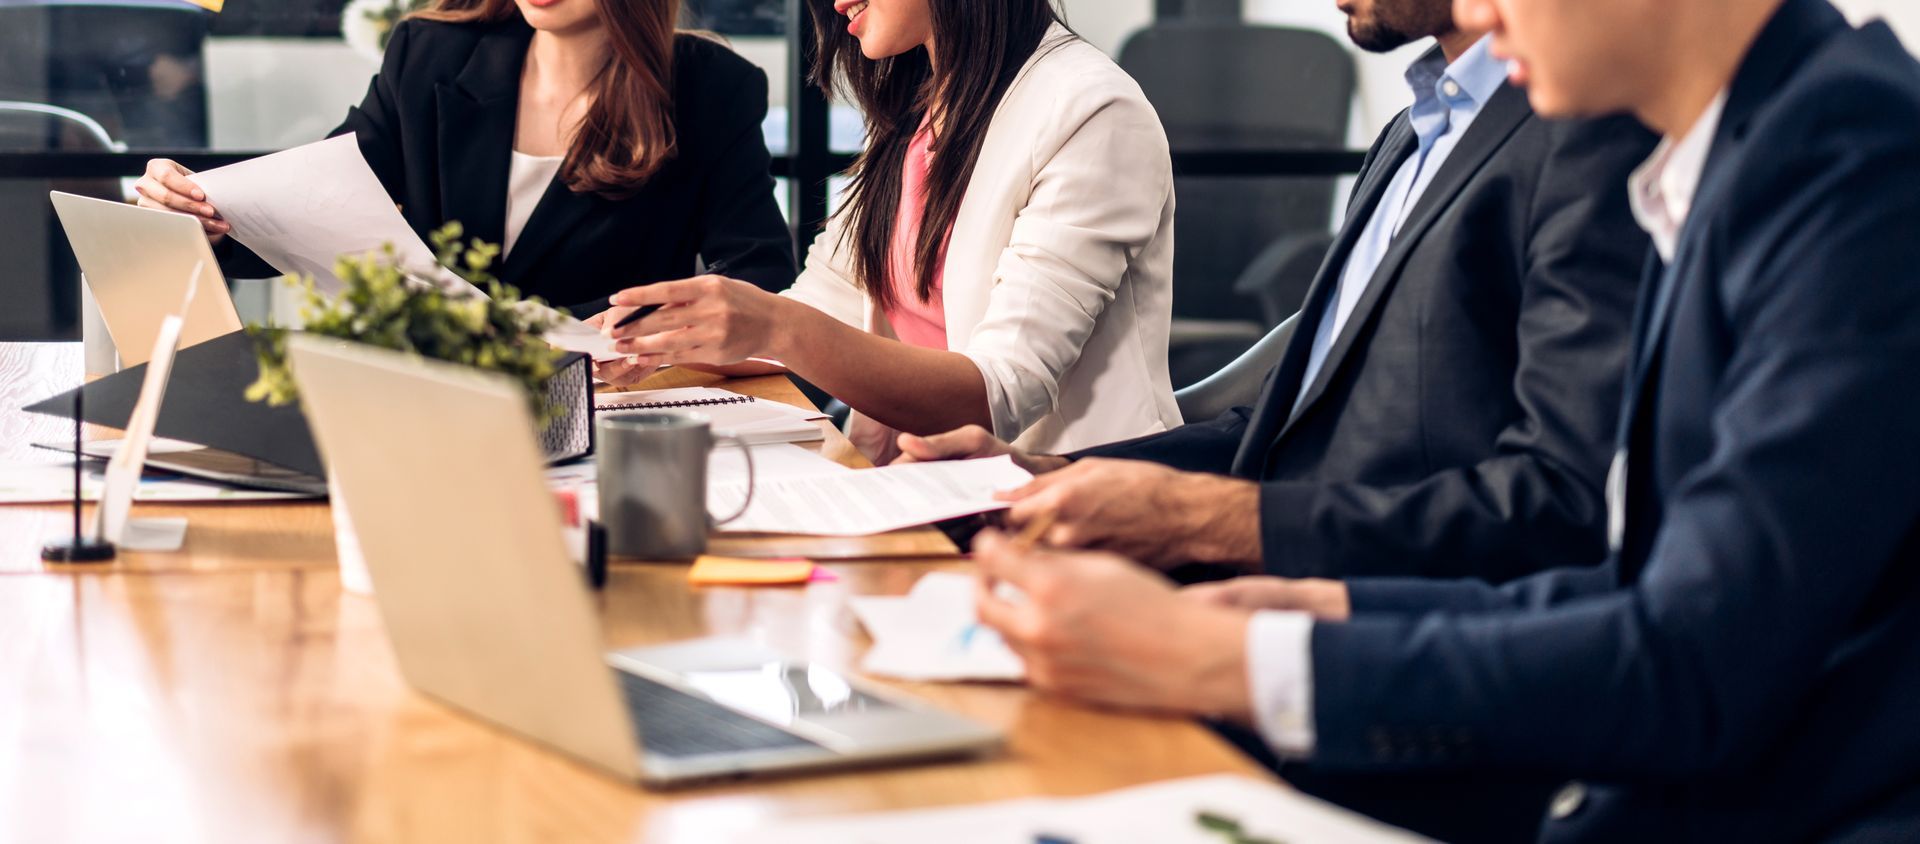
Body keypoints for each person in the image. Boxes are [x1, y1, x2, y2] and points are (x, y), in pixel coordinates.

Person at [969, 0, 1920, 840]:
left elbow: (1690, 660)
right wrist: (1326, 611)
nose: (1474, 10)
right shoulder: (1746, 146)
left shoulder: (1851, 153)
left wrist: (1242, 660)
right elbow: (1636, 585)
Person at [899, 0, 1653, 586]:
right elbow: (1288, 431)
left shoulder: (1584, 144)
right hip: (1265, 591)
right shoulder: (1409, 136)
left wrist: (1226, 524)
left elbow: (1561, 505)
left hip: (1376, 636)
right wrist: (1058, 475)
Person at [597, 0, 1180, 464]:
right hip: (916, 484)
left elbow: (997, 396)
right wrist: (659, 340)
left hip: (1064, 510)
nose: (836, 2)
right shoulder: (919, 110)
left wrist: (771, 322)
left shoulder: (1093, 110)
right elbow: (823, 309)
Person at [132, 0, 795, 316]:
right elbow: (310, 205)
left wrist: (648, 338)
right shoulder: (430, 55)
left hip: (613, 409)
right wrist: (201, 208)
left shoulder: (711, 88)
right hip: (436, 401)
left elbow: (759, 278)